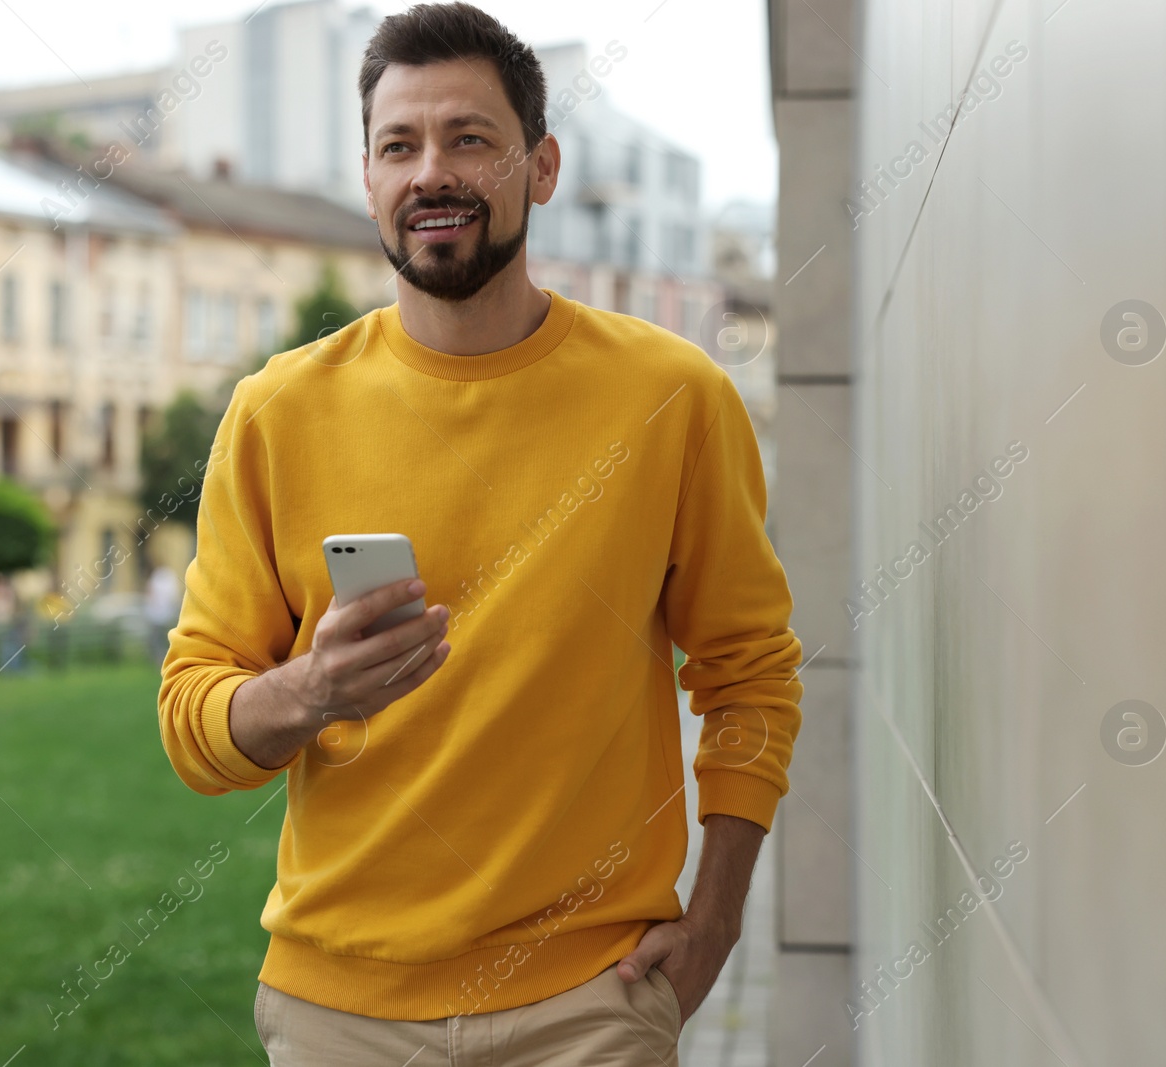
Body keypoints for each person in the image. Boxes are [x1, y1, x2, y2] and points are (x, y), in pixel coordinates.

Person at [156, 4, 803, 1063]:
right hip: (339, 1012)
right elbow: (194, 724)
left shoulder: (673, 398)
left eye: (470, 139)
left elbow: (748, 671)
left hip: (590, 1003)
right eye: (398, 146)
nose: (431, 173)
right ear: (367, 179)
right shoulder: (277, 413)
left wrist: (719, 912)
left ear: (539, 167)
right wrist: (309, 689)